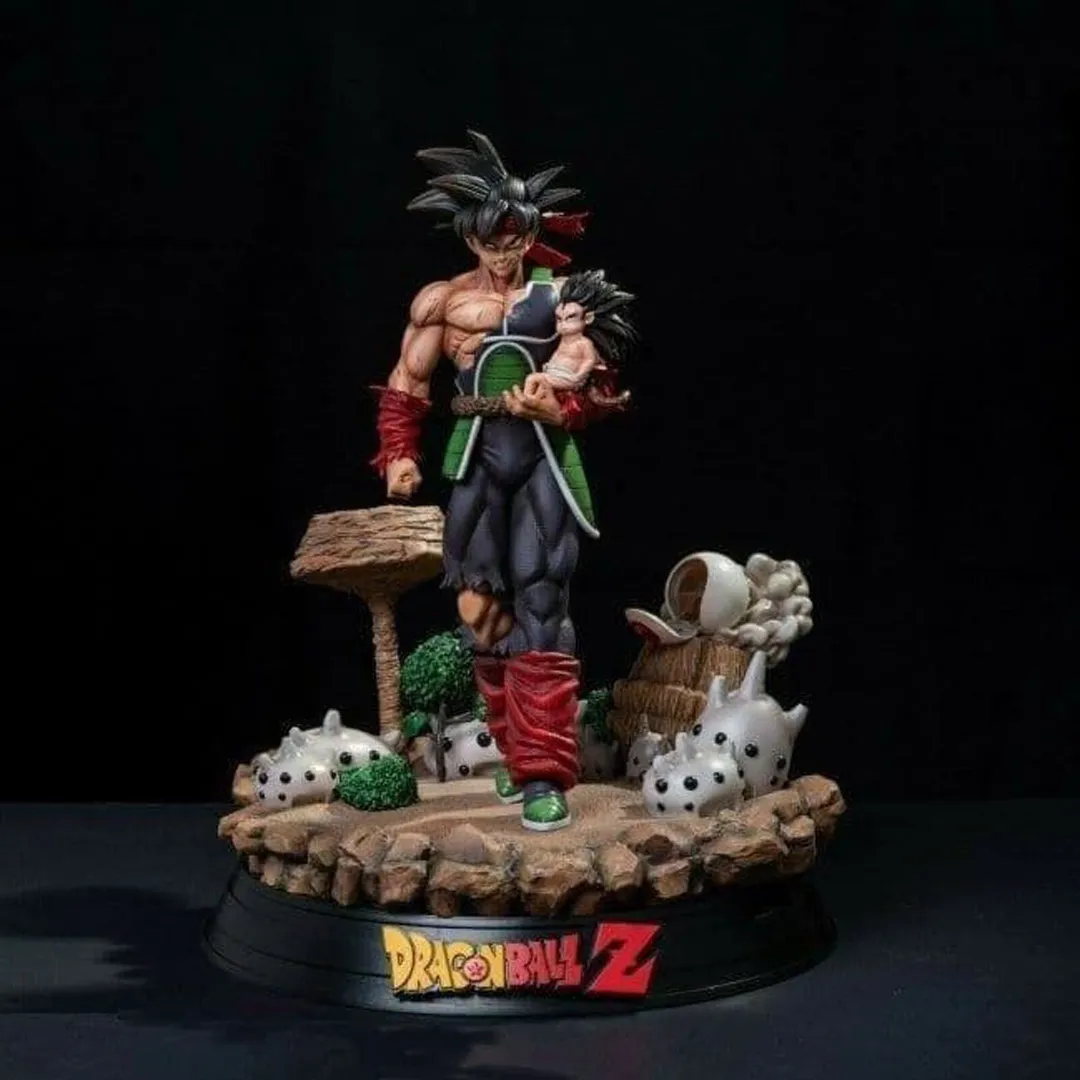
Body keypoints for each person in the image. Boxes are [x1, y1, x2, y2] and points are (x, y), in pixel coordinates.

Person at [370, 131, 635, 831]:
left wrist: (563, 407)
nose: (503, 251)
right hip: (478, 460)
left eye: (515, 237)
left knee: (542, 601)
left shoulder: (564, 298)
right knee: (479, 612)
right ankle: (517, 751)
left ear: (532, 234)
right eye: (491, 239)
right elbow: (407, 383)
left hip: (542, 459)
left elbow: (601, 385)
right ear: (470, 237)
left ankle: (544, 771)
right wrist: (399, 453)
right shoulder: (442, 303)